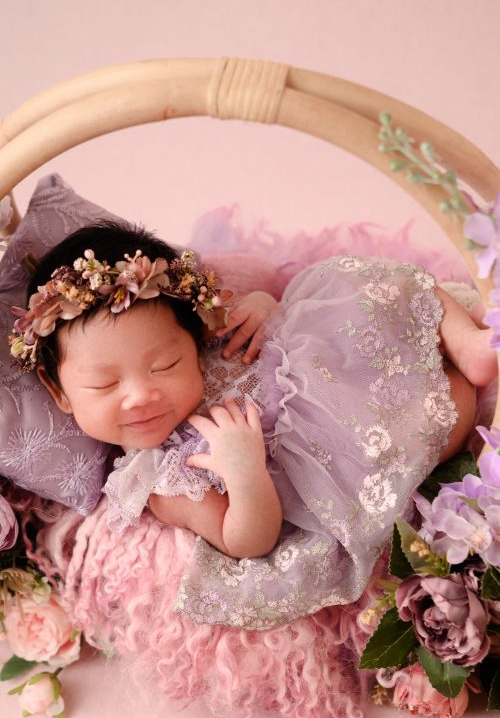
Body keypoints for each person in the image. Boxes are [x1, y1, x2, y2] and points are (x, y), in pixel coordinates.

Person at [9, 219, 497, 630]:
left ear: (192, 339)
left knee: (350, 278)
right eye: (104, 384)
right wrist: (244, 473)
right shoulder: (164, 477)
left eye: (164, 366)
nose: (141, 394)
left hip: (341, 361)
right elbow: (246, 540)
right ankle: (460, 383)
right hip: (359, 451)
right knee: (439, 416)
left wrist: (266, 307)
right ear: (60, 393)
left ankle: (466, 344)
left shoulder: (214, 343)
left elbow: (266, 313)